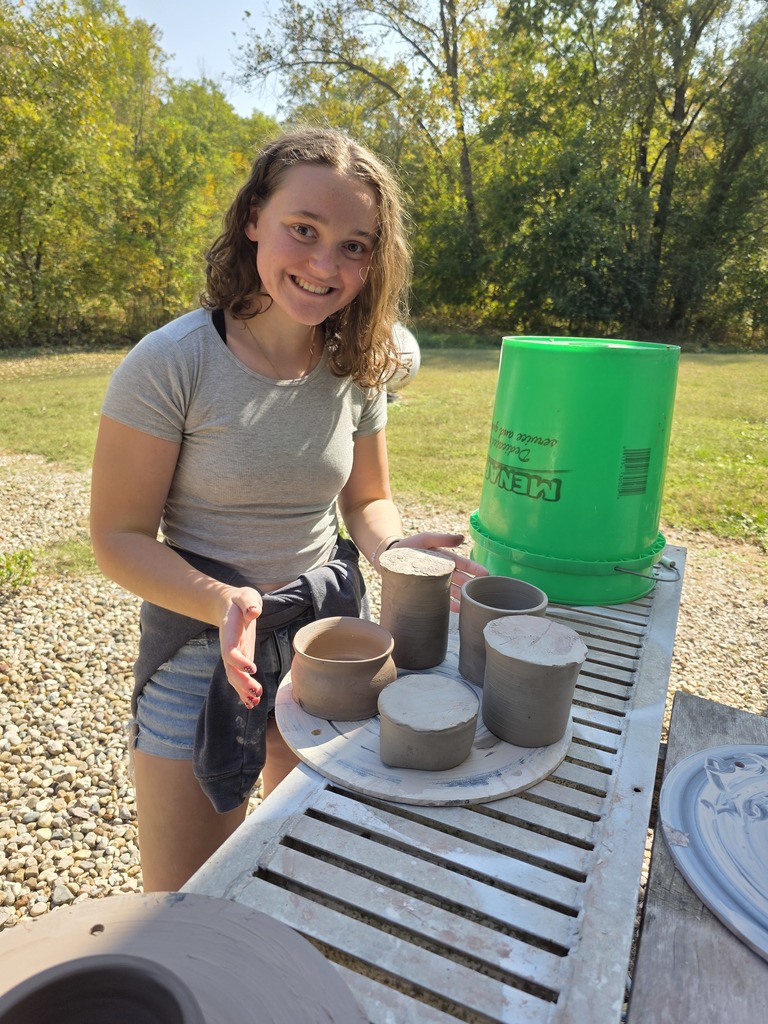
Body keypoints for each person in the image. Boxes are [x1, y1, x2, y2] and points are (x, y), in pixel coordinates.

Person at [90, 127, 486, 893]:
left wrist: (399, 552)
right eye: (304, 230)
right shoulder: (172, 362)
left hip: (328, 645)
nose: (324, 264)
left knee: (309, 872)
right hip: (204, 655)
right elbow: (118, 537)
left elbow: (367, 498)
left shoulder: (356, 365)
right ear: (253, 221)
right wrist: (222, 602)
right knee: (184, 904)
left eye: (354, 246)